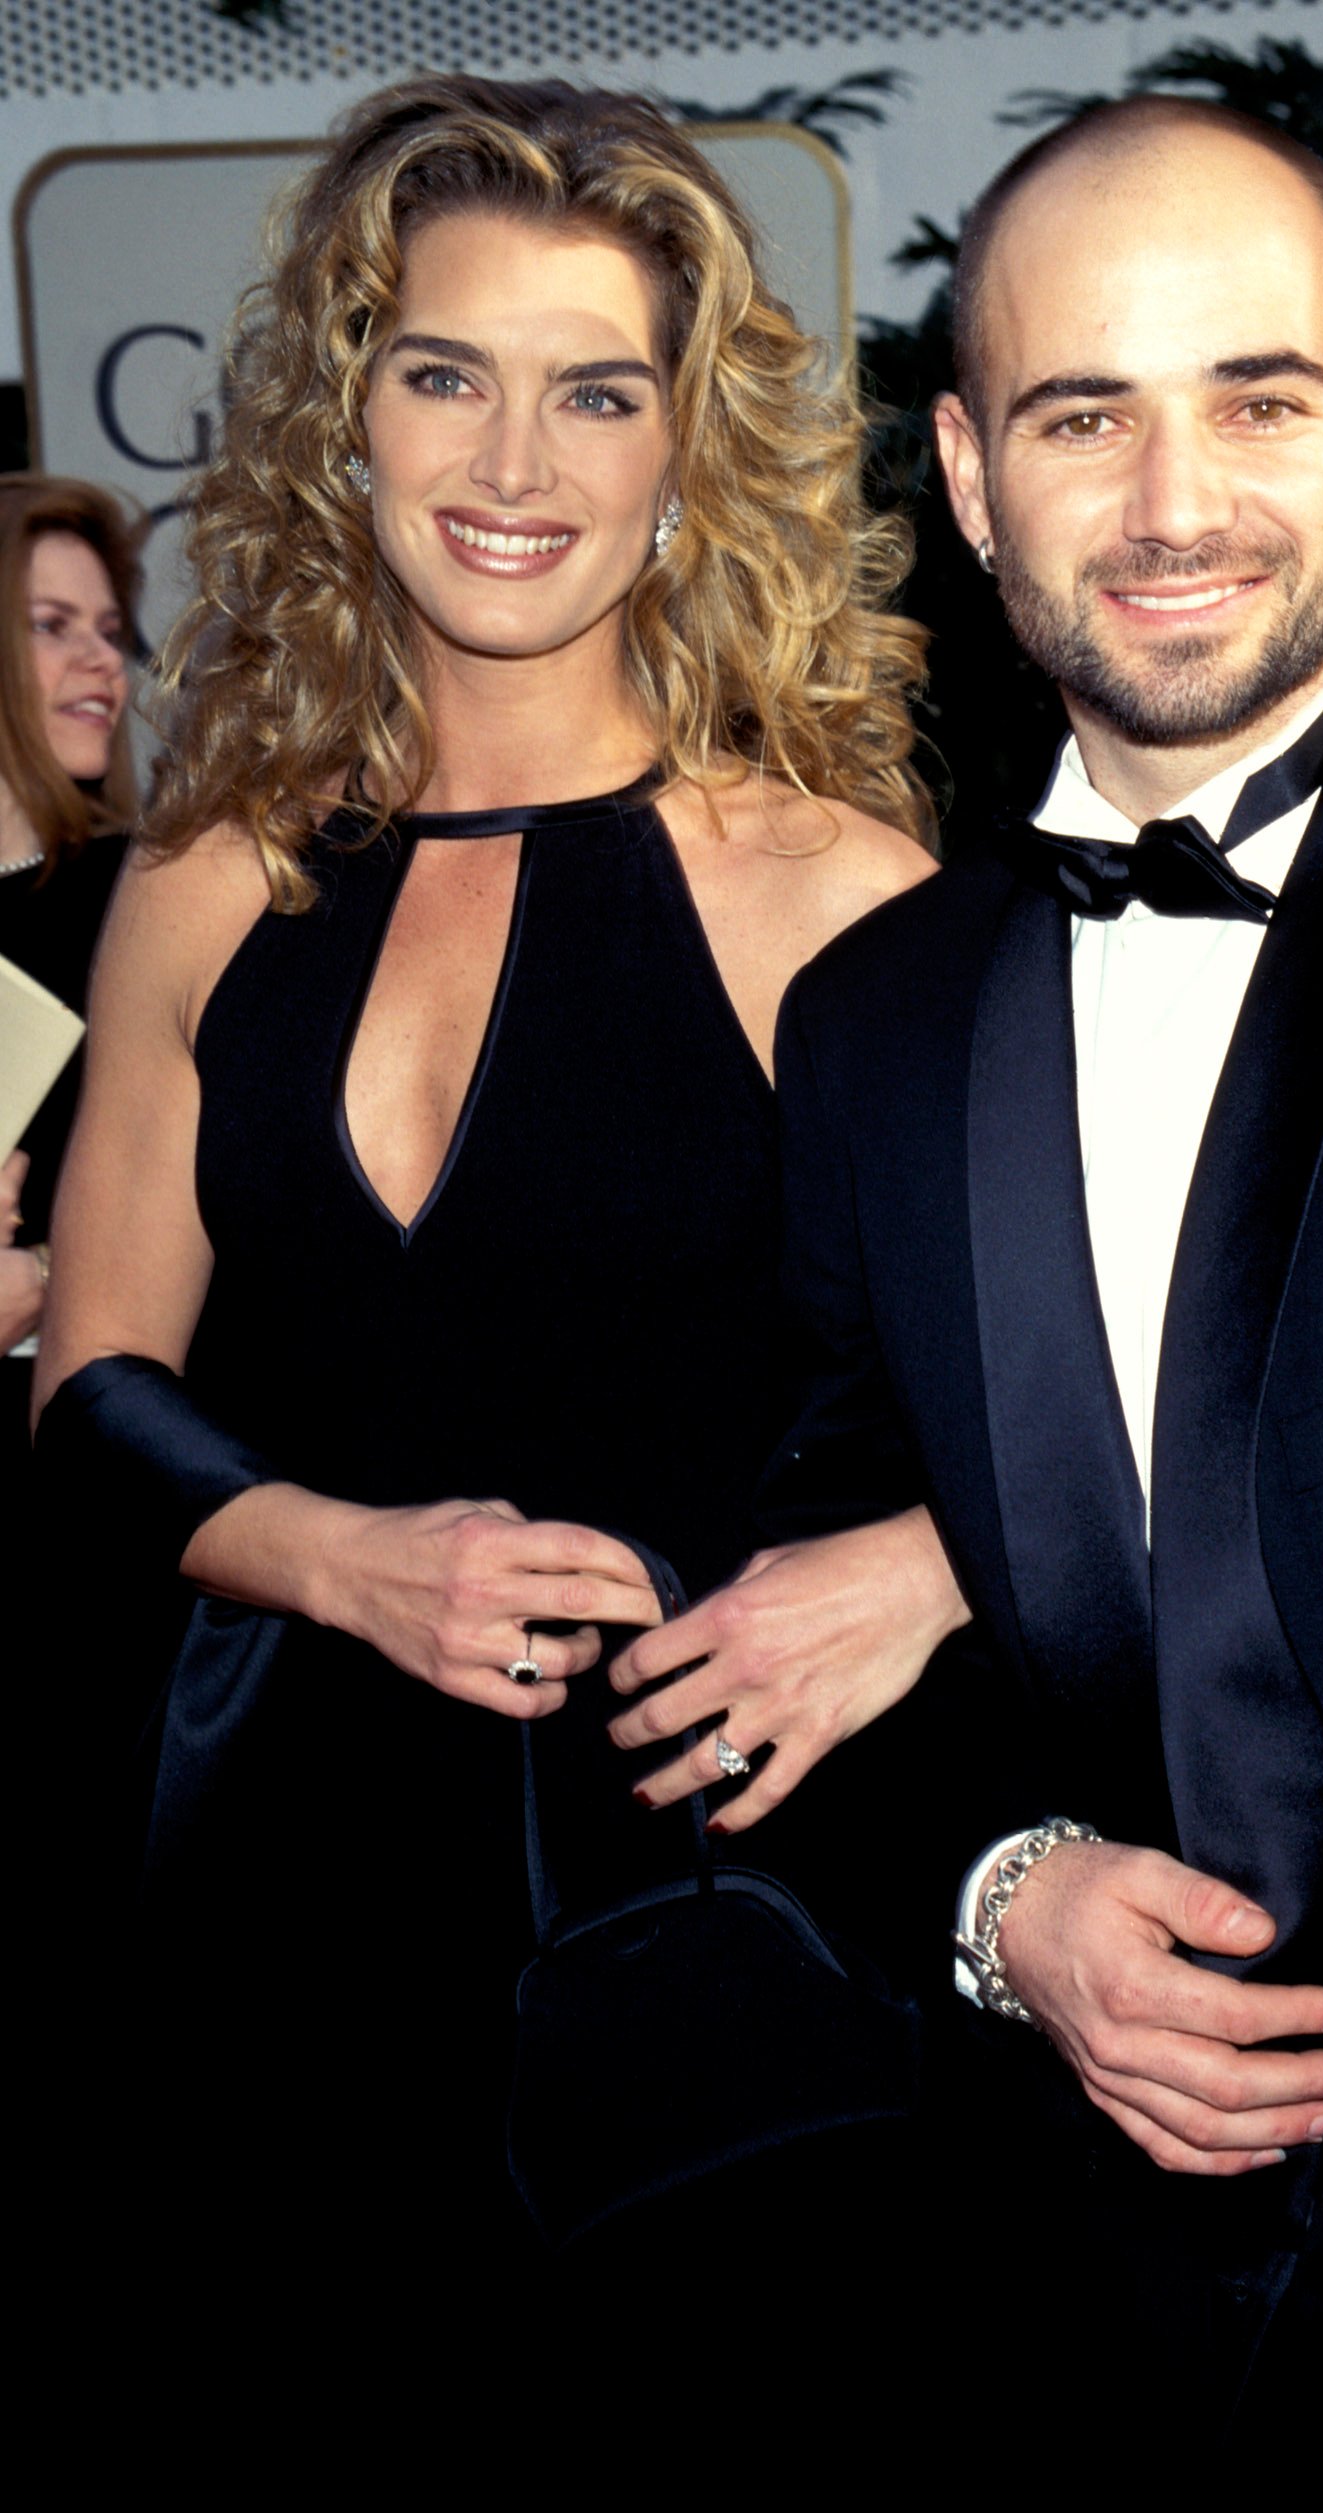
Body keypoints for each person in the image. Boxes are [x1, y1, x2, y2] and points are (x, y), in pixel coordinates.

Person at [614, 99, 1323, 2468]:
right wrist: (1013, 1896)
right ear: (974, 477)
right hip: (1029, 2320)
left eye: (1258, 399)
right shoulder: (876, 1027)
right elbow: (827, 1612)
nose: (1176, 502)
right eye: (1087, 415)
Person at [32, 73, 939, 2352]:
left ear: (681, 454)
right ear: (351, 418)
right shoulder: (207, 874)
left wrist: (915, 1574)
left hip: (694, 1912)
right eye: (447, 376)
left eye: (592, 393)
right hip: (267, 1903)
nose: (513, 469)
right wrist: (347, 1552)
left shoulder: (836, 899)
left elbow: (1105, 1414)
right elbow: (89, 1390)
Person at [0, 475, 139, 1502]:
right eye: (52, 626)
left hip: (83, 1473)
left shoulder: (145, 903)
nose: (102, 660)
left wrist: (44, 1279)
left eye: (108, 629)